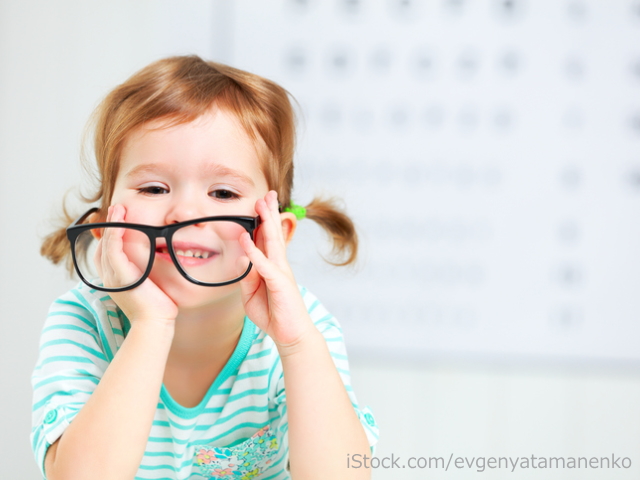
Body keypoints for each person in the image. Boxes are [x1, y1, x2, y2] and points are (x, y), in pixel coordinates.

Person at [31, 55, 379, 480]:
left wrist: (296, 345)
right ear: (105, 225)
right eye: (154, 188)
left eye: (223, 193)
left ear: (272, 232)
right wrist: (151, 325)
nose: (185, 212)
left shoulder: (300, 329)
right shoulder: (84, 322)